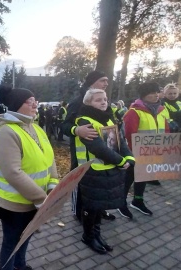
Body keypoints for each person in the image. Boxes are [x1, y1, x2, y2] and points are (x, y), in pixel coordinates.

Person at [0, 85, 59, 270]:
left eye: (34, 101)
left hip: (36, 201)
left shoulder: (36, 127)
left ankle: (20, 265)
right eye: (29, 102)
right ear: (16, 105)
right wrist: (41, 198)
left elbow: (50, 159)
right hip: (13, 204)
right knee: (11, 243)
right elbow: (13, 173)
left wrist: (53, 185)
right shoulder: (6, 132)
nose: (35, 104)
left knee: (26, 236)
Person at [75, 89, 134, 254]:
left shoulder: (108, 118)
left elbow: (120, 141)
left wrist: (130, 157)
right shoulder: (84, 121)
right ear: (88, 103)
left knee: (99, 206)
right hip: (92, 170)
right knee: (91, 206)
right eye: (98, 100)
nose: (103, 102)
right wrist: (121, 161)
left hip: (108, 169)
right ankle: (88, 236)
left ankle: (97, 234)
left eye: (105, 99)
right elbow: (98, 148)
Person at [61, 70, 116, 222]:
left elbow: (108, 120)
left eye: (107, 81)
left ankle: (99, 209)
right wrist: (77, 130)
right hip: (81, 153)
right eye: (103, 80)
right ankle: (78, 211)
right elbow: (64, 125)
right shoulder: (78, 101)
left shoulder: (104, 100)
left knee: (101, 182)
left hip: (103, 151)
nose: (106, 83)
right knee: (79, 180)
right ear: (92, 82)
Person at [118, 82, 170, 219]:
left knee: (144, 176)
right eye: (151, 93)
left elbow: (166, 129)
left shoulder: (162, 110)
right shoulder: (134, 112)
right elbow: (129, 134)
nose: (155, 95)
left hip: (153, 152)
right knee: (129, 177)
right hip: (135, 152)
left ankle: (138, 200)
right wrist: (134, 151)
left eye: (156, 92)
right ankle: (120, 202)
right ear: (144, 95)